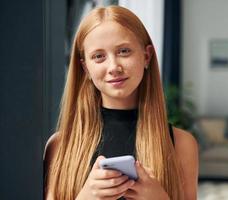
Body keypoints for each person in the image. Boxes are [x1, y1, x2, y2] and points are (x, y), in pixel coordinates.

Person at [44, 5, 198, 200]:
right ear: (85, 69)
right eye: (98, 56)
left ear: (146, 56)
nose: (113, 67)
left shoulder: (182, 145)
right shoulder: (59, 146)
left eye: (124, 51)